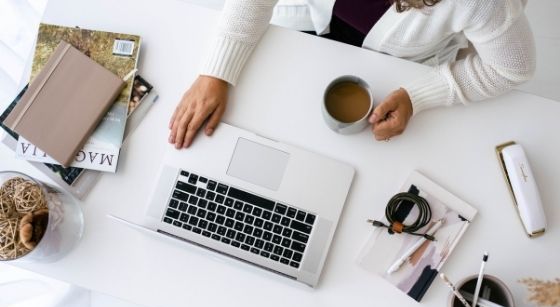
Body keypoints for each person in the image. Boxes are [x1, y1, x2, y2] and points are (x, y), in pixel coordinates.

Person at [168, 0, 535, 148]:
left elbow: (511, 68)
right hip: (301, 28)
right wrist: (215, 73)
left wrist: (418, 95)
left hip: (393, 72)